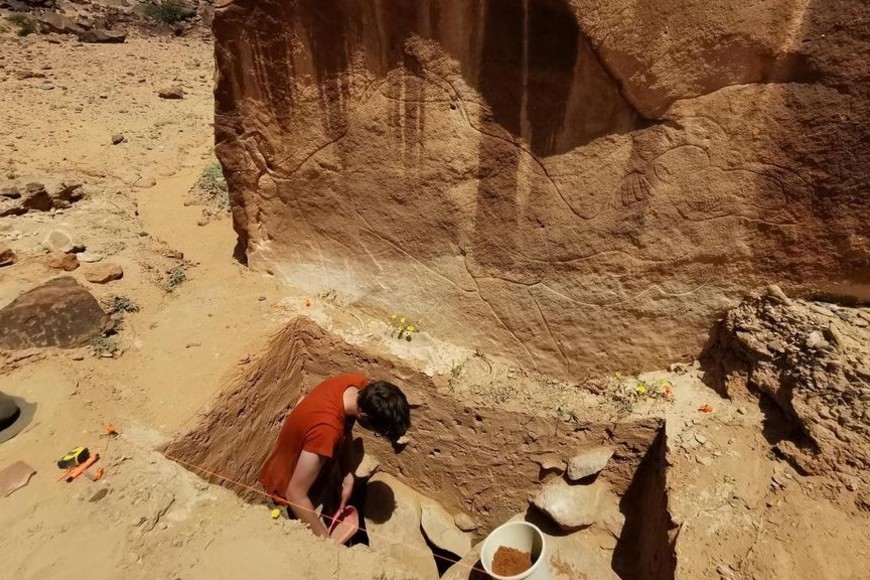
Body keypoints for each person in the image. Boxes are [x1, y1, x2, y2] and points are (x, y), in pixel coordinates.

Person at [258, 373, 410, 538]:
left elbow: (345, 429)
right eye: (376, 433)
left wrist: (348, 474)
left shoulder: (356, 384)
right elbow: (294, 494)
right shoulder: (327, 431)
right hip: (285, 489)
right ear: (363, 417)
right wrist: (326, 541)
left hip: (310, 467)